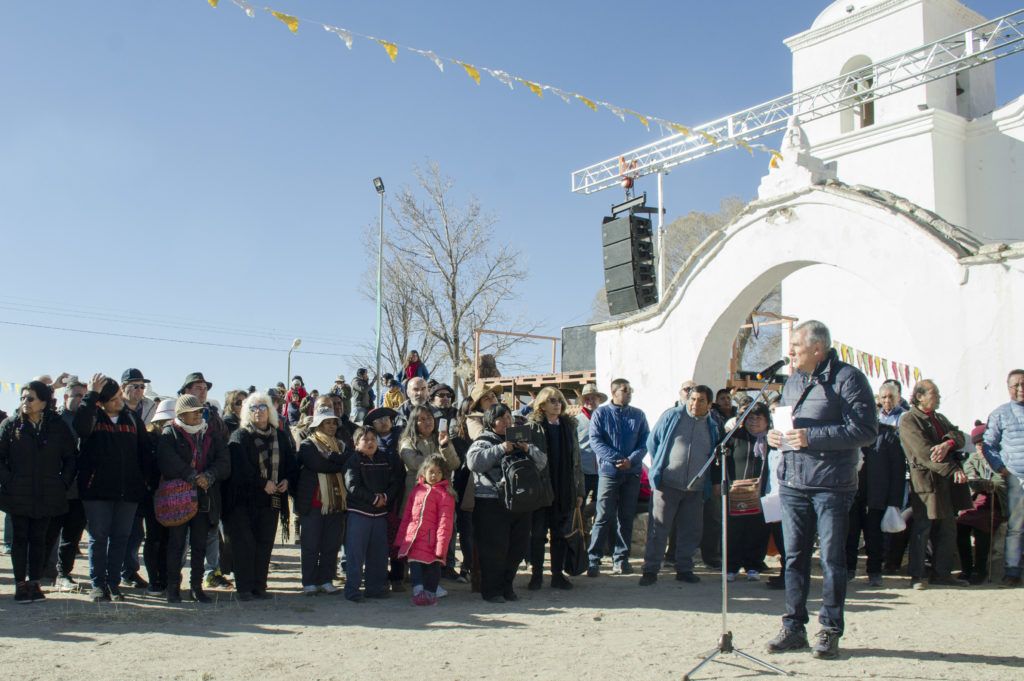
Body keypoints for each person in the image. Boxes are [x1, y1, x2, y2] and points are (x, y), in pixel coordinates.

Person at [764, 320, 876, 660]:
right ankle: (794, 627)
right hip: (793, 481)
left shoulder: (849, 379)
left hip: (831, 484)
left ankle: (829, 629)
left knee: (831, 559)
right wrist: (775, 437)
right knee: (793, 558)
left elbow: (865, 430)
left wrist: (813, 437)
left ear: (817, 348)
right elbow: (788, 425)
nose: (790, 351)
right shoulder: (793, 381)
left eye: (796, 345)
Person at [74, 374, 153, 602]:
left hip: (128, 492)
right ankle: (98, 585)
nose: (120, 400)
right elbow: (80, 428)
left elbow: (145, 452)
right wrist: (90, 396)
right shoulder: (92, 417)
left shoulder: (131, 419)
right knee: (98, 538)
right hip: (96, 491)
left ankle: (113, 584)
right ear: (101, 401)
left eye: (120, 395)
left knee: (121, 538)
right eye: (115, 398)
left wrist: (144, 481)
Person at [0, 381, 76, 602]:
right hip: (18, 493)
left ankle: (35, 582)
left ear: (43, 402)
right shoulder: (10, 425)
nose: (25, 402)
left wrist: (62, 483)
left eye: (30, 398)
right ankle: (20, 584)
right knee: (20, 539)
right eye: (23, 398)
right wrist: (9, 481)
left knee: (39, 539)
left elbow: (71, 458)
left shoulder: (57, 426)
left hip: (48, 493)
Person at [640, 384, 721, 586]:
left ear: (709, 404)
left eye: (701, 400)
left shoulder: (712, 425)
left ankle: (684, 568)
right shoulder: (673, 416)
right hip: (667, 484)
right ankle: (651, 570)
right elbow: (653, 442)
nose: (695, 404)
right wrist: (660, 467)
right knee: (658, 529)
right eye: (692, 399)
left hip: (696, 487)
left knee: (690, 530)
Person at [467, 404, 548, 603]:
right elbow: (474, 462)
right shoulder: (484, 440)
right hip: (491, 502)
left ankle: (507, 586)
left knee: (517, 547)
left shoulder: (522, 438)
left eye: (509, 417)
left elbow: (542, 461)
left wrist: (527, 448)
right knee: (494, 549)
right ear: (490, 421)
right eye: (501, 418)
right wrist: (501, 448)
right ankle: (491, 591)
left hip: (520, 502)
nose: (507, 422)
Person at [226, 392, 298, 601]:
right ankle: (244, 588)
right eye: (253, 408)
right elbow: (240, 469)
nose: (258, 412)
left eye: (262, 407)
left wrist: (287, 480)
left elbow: (291, 464)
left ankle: (260, 585)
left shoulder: (280, 436)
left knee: (265, 543)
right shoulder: (240, 436)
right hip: (243, 501)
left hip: (271, 500)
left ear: (270, 410)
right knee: (244, 543)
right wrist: (261, 483)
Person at [900, 379, 971, 590]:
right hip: (926, 482)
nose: (938, 397)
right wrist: (952, 469)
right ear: (919, 396)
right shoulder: (909, 420)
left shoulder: (939, 418)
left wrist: (948, 442)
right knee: (923, 528)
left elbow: (958, 436)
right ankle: (917, 575)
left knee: (948, 527)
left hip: (946, 484)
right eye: (934, 393)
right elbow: (923, 452)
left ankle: (943, 573)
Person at [158, 394, 230, 603]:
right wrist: (191, 476)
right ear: (182, 414)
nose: (200, 414)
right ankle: (173, 588)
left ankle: (196, 587)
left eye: (201, 411)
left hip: (205, 497)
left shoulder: (211, 433)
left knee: (199, 544)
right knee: (177, 544)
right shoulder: (169, 433)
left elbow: (224, 461)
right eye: (195, 411)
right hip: (178, 499)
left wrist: (210, 475)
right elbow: (166, 460)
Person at [586, 378, 650, 577]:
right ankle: (593, 559)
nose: (629, 393)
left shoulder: (638, 415)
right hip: (609, 472)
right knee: (603, 515)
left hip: (632, 473)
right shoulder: (601, 413)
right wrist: (616, 459)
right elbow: (595, 440)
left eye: (630, 390)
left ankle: (621, 559)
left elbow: (645, 440)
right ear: (614, 392)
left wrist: (631, 460)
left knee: (626, 516)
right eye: (625, 390)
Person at [846, 384, 907, 587]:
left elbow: (897, 470)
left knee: (874, 535)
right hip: (852, 492)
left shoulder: (888, 435)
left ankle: (874, 570)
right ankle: (848, 569)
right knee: (850, 533)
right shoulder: (851, 434)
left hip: (877, 493)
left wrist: (894, 500)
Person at [178, 372, 232, 590]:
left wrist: (210, 475)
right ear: (186, 391)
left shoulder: (213, 416)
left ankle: (212, 573)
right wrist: (191, 475)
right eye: (197, 387)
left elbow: (222, 446)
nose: (203, 391)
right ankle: (174, 577)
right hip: (180, 486)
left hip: (210, 485)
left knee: (211, 533)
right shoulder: (175, 412)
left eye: (205, 388)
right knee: (181, 536)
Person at [527, 387, 584, 590]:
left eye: (559, 400)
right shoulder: (533, 426)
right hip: (542, 489)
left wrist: (579, 491)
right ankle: (536, 575)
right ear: (542, 405)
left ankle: (557, 575)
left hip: (564, 487)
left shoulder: (569, 426)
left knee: (560, 534)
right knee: (538, 535)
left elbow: (577, 460)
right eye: (552, 400)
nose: (557, 404)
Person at [344, 426, 404, 601]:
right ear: (356, 444)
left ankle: (375, 588)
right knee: (355, 554)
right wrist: (373, 499)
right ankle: (352, 590)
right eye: (365, 439)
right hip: (359, 513)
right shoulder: (353, 460)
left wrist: (385, 496)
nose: (370, 442)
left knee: (379, 554)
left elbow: (395, 483)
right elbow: (352, 486)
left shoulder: (385, 459)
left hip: (380, 515)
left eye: (373, 439)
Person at [295, 405, 350, 596]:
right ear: (318, 424)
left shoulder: (343, 445)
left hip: (336, 503)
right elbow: (317, 464)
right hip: (312, 503)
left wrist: (334, 461)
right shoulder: (308, 445)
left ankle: (326, 579)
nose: (332, 426)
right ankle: (309, 581)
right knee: (311, 544)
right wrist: (338, 462)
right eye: (327, 423)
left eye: (334, 423)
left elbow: (347, 464)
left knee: (331, 544)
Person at [981, 368, 1024, 588]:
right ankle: (1013, 570)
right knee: (1016, 526)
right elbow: (988, 445)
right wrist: (1000, 467)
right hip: (1017, 477)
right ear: (1008, 388)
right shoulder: (1000, 413)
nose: (1020, 389)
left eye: (1023, 384)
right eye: (1016, 385)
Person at [395, 454, 456, 606]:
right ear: (424, 472)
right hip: (414, 539)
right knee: (415, 565)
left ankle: (430, 593)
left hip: (432, 541)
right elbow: (407, 516)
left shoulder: (445, 495)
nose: (434, 475)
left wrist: (441, 546)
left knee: (432, 568)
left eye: (438, 472)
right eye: (431, 472)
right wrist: (401, 538)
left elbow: (445, 523)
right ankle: (418, 592)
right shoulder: (416, 491)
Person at [46, 377, 88, 590]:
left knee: (71, 536)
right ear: (65, 396)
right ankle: (43, 571)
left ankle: (64, 573)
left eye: (84, 396)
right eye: (77, 395)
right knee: (48, 533)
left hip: (79, 489)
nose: (81, 400)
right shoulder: (55, 420)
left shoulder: (90, 419)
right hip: (56, 487)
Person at [723, 402, 772, 582]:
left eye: (758, 418)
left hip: (762, 492)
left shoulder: (771, 440)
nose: (754, 422)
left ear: (767, 420)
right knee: (735, 530)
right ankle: (732, 566)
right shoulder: (735, 436)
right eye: (750, 418)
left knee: (758, 530)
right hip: (737, 491)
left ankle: (753, 565)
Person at [957, 423, 1007, 584]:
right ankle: (966, 568)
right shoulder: (973, 458)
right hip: (976, 503)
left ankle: (980, 569)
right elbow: (969, 473)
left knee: (982, 527)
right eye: (978, 445)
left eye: (983, 444)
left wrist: (986, 483)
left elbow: (1000, 481)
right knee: (961, 526)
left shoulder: (1001, 458)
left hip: (997, 503)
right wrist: (978, 482)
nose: (981, 448)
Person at [141, 399, 175, 597]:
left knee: (171, 540)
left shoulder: (179, 438)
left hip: (175, 497)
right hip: (152, 495)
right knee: (154, 538)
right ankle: (155, 580)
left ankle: (168, 578)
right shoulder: (148, 438)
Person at [576, 384, 608, 526]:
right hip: (583, 471)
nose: (590, 401)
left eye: (593, 398)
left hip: (602, 470)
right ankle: (581, 537)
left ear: (599, 400)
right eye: (587, 398)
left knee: (601, 506)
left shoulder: (605, 419)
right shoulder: (575, 421)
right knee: (579, 505)